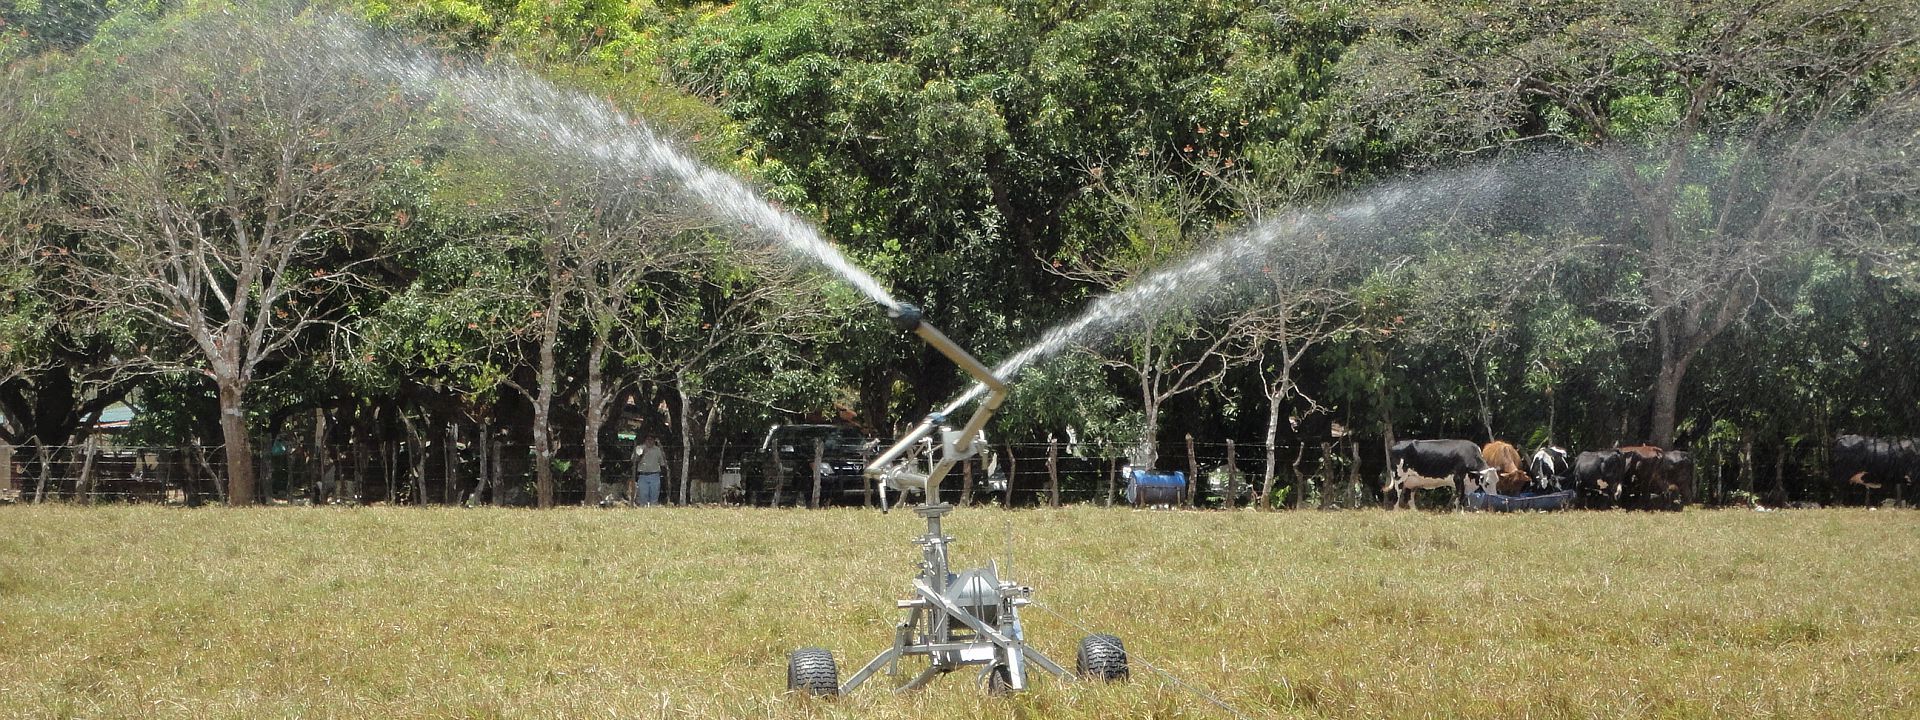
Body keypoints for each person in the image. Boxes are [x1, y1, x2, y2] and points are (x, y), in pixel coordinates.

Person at [634, 435, 665, 506]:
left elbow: (662, 463)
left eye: (651, 439)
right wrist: (640, 454)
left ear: (654, 441)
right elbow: (633, 460)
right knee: (642, 497)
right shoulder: (639, 448)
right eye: (648, 439)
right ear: (645, 440)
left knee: (654, 497)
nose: (649, 441)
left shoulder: (657, 450)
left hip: (654, 475)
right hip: (643, 475)